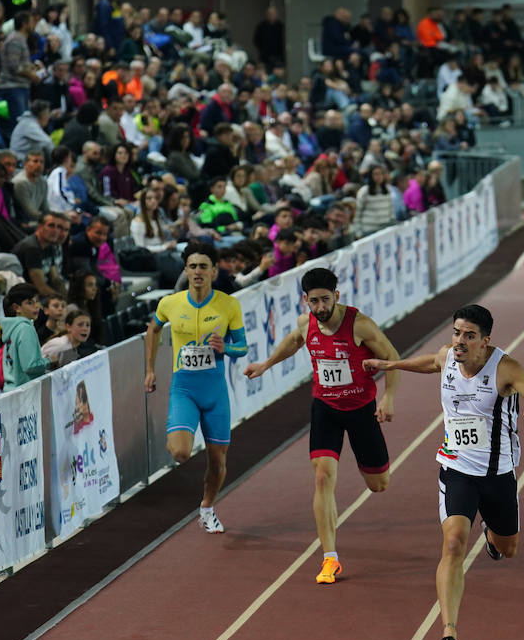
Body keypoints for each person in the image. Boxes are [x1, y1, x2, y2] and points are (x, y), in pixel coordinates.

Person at [361, 304, 524, 640]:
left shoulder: (506, 368)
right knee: (452, 544)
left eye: (469, 335)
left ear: (486, 341)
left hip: (497, 474)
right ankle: (449, 633)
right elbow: (430, 363)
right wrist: (390, 366)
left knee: (508, 548)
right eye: (456, 333)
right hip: (456, 468)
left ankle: (492, 539)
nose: (460, 341)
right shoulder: (447, 357)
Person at [245, 267, 401, 585]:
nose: (320, 308)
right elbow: (292, 341)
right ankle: (330, 558)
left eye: (325, 300)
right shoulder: (307, 323)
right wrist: (265, 364)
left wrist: (389, 397)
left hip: (360, 410)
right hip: (325, 408)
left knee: (379, 484)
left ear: (337, 296)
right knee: (322, 477)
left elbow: (392, 356)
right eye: (313, 301)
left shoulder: (360, 324)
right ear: (306, 300)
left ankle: (370, 465)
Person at [144, 246, 248, 533]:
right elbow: (152, 330)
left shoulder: (229, 305)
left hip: (215, 393)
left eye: (204, 266)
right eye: (193, 266)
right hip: (185, 389)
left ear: (214, 271)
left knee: (217, 462)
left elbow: (242, 347)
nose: (198, 272)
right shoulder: (170, 303)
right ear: (186, 271)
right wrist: (150, 370)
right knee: (180, 453)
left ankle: (207, 508)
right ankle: (184, 434)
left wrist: (226, 347)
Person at [1, 283, 51, 389]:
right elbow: (30, 366)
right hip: (23, 393)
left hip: (10, 390)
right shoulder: (25, 328)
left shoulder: (12, 327)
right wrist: (49, 361)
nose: (36, 306)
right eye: (30, 303)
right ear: (16, 307)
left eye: (37, 301)